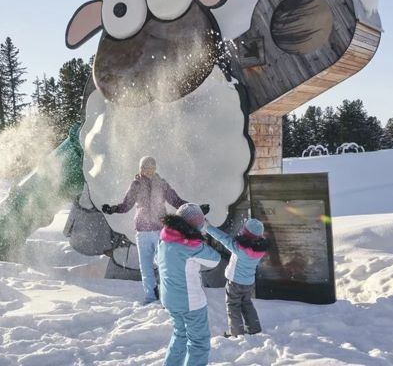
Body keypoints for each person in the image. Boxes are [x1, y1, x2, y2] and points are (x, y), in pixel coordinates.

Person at [101, 156, 189, 303]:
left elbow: (176, 201)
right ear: (140, 169)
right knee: (146, 266)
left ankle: (166, 296)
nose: (148, 171)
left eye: (151, 168)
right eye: (145, 168)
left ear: (155, 169)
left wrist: (193, 209)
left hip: (160, 230)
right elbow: (126, 205)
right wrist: (112, 209)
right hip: (142, 231)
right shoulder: (136, 185)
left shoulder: (162, 184)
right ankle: (150, 296)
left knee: (164, 264)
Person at [157, 203, 220, 366]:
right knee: (199, 342)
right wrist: (201, 236)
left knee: (180, 335)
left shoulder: (164, 240)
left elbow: (156, 260)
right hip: (190, 302)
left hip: (170, 299)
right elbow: (214, 259)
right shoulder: (191, 246)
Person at [205, 217, 269, 337]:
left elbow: (222, 238)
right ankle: (254, 329)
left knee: (233, 306)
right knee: (247, 304)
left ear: (245, 233)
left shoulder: (239, 248)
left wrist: (207, 226)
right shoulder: (260, 250)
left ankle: (236, 332)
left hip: (234, 283)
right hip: (249, 283)